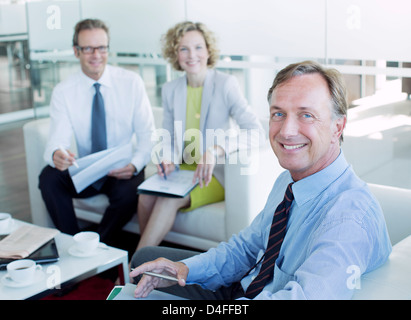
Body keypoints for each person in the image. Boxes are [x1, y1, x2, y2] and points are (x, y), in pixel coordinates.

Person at [129, 61, 392, 300]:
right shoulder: (288, 182)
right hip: (245, 285)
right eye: (278, 114)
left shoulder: (348, 218)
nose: (287, 131)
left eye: (306, 115)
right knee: (147, 260)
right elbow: (245, 249)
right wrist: (184, 269)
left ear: (338, 127)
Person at [135, 21, 265, 250]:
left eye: (198, 47)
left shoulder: (226, 84)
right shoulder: (170, 89)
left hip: (213, 174)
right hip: (182, 170)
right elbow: (168, 136)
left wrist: (216, 150)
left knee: (168, 200)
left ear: (208, 51)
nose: (191, 55)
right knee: (145, 195)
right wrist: (167, 157)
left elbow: (256, 131)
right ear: (175, 54)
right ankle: (148, 261)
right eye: (183, 48)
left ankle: (134, 271)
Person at [38, 19, 155, 247]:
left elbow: (147, 135)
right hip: (87, 170)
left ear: (108, 49)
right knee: (48, 178)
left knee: (131, 188)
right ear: (76, 51)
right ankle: (72, 242)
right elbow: (57, 139)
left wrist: (133, 165)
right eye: (87, 48)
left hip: (119, 169)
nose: (96, 55)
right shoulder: (63, 91)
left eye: (101, 47)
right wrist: (57, 154)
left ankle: (98, 245)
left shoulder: (131, 83)